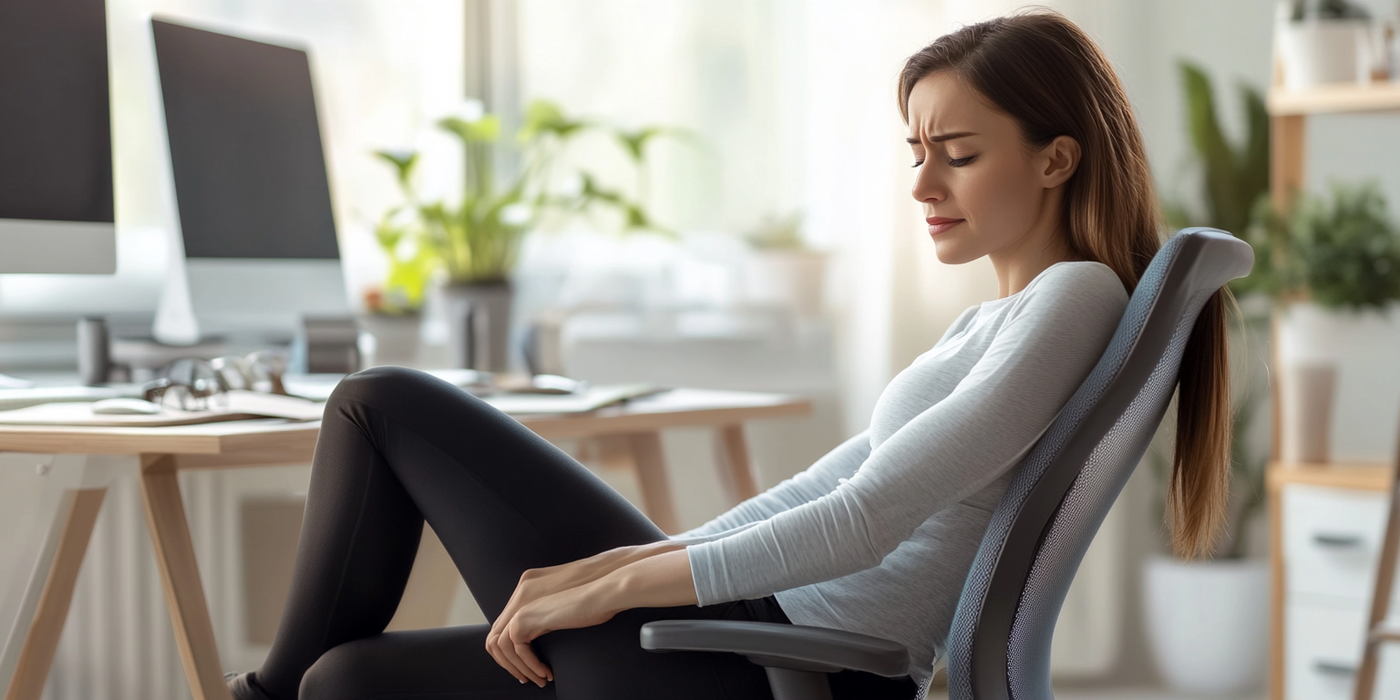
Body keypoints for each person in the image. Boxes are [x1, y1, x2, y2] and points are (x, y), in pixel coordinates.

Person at [225, 10, 1232, 700]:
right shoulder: (990, 320)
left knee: (377, 401)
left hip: (770, 662)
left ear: (1056, 159)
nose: (923, 184)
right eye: (915, 152)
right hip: (748, 639)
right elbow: (818, 489)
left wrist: (611, 589)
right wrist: (621, 561)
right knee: (345, 680)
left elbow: (865, 519)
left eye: (958, 154)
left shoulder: (1072, 297)